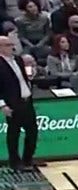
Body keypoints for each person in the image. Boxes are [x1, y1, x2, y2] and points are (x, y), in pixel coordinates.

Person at [0, 33, 38, 170]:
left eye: (12, 44)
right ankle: (15, 162)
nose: (12, 47)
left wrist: (30, 75)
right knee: (14, 134)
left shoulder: (18, 59)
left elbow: (24, 77)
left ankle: (28, 159)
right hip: (12, 103)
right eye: (8, 45)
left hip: (27, 100)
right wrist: (2, 105)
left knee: (32, 131)